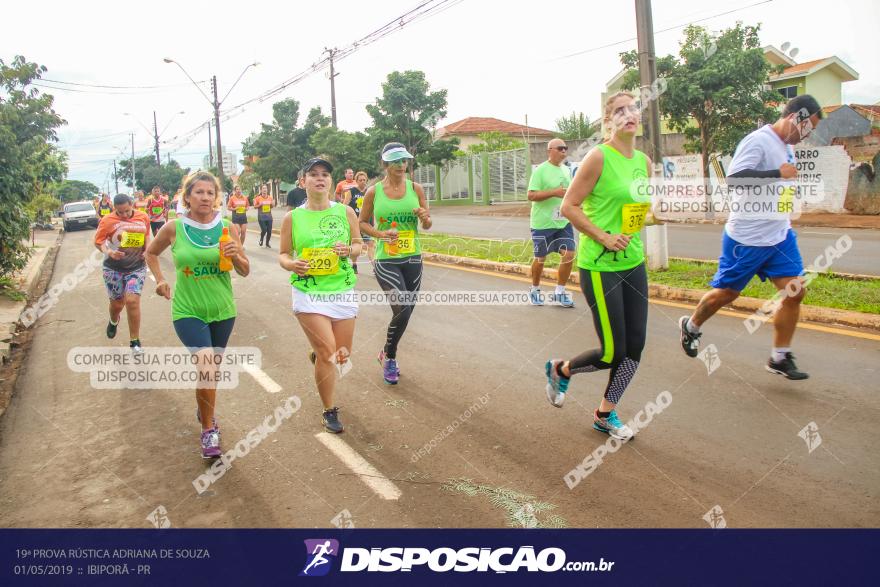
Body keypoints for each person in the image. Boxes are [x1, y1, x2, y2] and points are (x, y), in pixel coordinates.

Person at [678, 95, 823, 380]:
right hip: (746, 238)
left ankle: (779, 357)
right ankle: (691, 326)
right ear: (795, 117)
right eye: (809, 127)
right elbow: (734, 179)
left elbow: (780, 185)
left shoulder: (786, 147)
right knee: (727, 294)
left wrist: (786, 203)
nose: (809, 134)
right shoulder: (758, 140)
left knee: (796, 290)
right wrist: (776, 174)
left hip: (779, 236)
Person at [545, 91, 659, 441]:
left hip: (633, 262)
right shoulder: (598, 157)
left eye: (633, 109)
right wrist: (603, 236)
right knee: (612, 351)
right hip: (599, 264)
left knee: (634, 349)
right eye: (620, 111)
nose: (629, 115)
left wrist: (653, 217)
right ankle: (561, 368)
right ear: (609, 121)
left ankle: (605, 414)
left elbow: (634, 210)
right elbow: (569, 207)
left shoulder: (643, 161)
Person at [146, 171, 249, 459]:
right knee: (206, 366)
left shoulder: (226, 227)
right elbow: (150, 254)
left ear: (216, 197)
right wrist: (160, 281)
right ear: (187, 196)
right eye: (199, 192)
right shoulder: (173, 228)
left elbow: (244, 269)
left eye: (210, 193)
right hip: (187, 310)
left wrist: (237, 254)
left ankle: (204, 407)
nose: (205, 197)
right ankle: (208, 429)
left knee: (211, 372)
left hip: (223, 310)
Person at [279, 157, 362, 433]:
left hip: (342, 290)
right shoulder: (293, 217)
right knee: (328, 354)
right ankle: (329, 410)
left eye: (325, 174)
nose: (319, 178)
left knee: (341, 356)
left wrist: (347, 250)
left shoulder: (346, 212)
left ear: (330, 181)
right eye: (313, 174)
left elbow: (360, 245)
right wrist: (292, 264)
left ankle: (319, 356)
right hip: (308, 293)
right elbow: (283, 255)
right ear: (303, 182)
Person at [359, 143, 431, 385]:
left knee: (407, 310)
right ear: (385, 164)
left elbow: (428, 224)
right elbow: (363, 223)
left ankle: (384, 352)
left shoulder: (416, 188)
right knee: (402, 307)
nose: (401, 165)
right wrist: (380, 235)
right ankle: (390, 357)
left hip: (412, 257)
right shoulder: (373, 192)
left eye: (404, 161)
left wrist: (425, 218)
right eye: (396, 161)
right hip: (385, 259)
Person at [94, 193, 152, 355]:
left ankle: (135, 341)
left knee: (132, 301)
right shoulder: (107, 221)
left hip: (136, 267)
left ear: (132, 205)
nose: (124, 215)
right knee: (117, 304)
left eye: (127, 211)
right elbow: (98, 242)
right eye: (120, 212)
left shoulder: (143, 217)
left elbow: (146, 236)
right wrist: (109, 252)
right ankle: (113, 320)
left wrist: (147, 250)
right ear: (115, 209)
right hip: (113, 268)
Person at [527, 138, 576, 308]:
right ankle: (534, 289)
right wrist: (554, 192)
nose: (564, 151)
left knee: (569, 255)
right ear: (550, 151)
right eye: (560, 148)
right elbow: (531, 195)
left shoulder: (566, 170)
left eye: (565, 148)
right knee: (540, 258)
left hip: (562, 222)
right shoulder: (540, 171)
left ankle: (559, 292)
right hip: (542, 223)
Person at [347, 171, 375, 274]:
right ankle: (354, 264)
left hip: (367, 223)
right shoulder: (352, 191)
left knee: (371, 244)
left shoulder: (370, 192)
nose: (362, 182)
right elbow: (344, 206)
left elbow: (374, 207)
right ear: (356, 181)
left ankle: (375, 268)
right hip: (354, 223)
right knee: (356, 244)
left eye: (364, 180)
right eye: (360, 180)